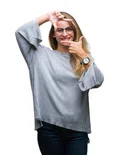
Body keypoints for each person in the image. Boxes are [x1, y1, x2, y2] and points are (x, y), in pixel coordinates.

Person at [15, 11, 104, 155]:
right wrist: (47, 17)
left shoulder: (83, 59)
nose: (65, 33)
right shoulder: (38, 55)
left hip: (78, 129)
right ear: (53, 35)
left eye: (69, 29)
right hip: (49, 127)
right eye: (59, 29)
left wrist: (82, 54)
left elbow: (98, 81)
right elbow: (21, 33)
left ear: (75, 33)